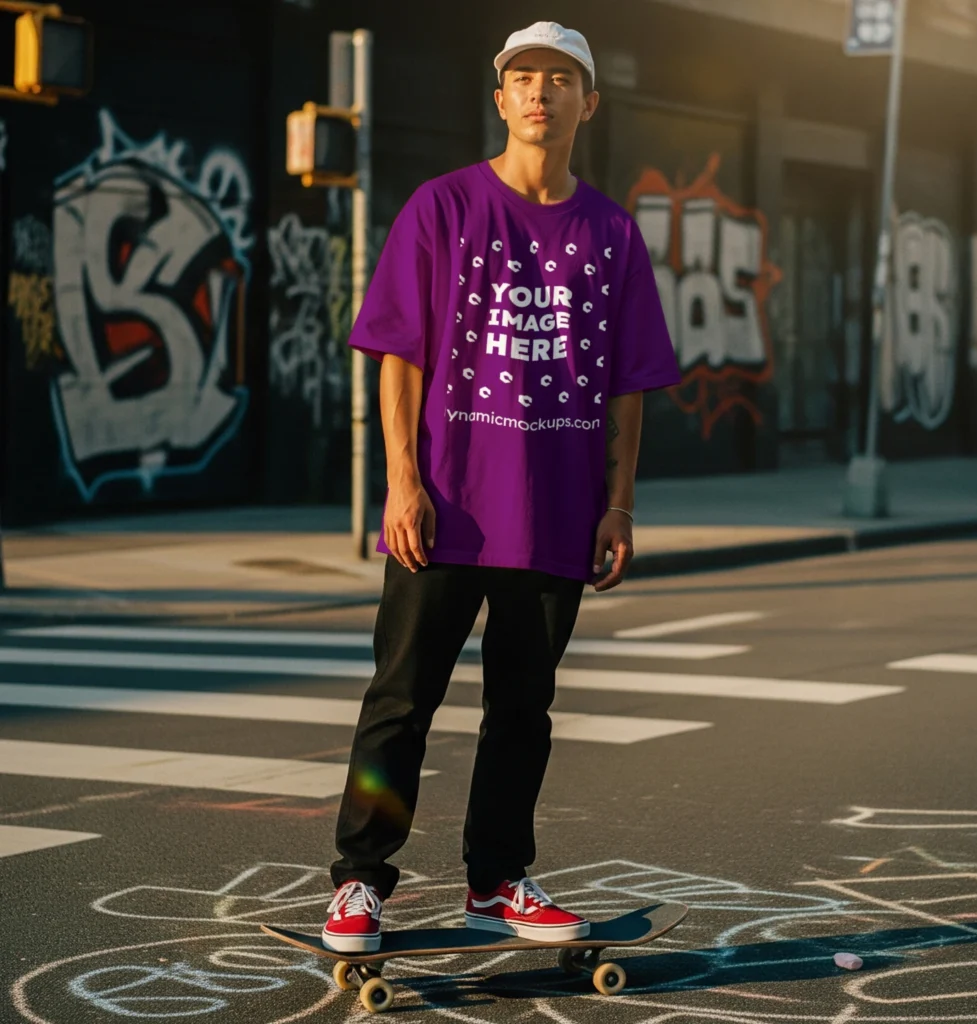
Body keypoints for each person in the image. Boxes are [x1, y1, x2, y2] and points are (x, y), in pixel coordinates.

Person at [322, 20, 679, 953]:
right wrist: (402, 482)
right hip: (445, 509)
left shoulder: (610, 233)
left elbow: (630, 383)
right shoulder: (442, 208)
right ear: (500, 98)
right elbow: (397, 355)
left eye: (560, 78)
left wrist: (619, 502)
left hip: (556, 515)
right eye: (522, 76)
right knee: (402, 701)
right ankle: (360, 882)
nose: (539, 91)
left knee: (523, 712)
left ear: (587, 102)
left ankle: (497, 883)